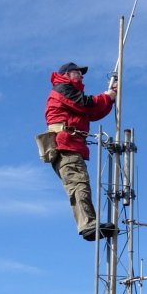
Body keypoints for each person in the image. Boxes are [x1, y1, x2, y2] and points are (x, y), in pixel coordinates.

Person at [45, 62, 117, 241]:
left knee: (80, 183)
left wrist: (110, 98)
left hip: (71, 146)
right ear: (67, 74)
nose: (81, 76)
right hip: (66, 146)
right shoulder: (62, 89)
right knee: (79, 184)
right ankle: (88, 224)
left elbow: (92, 112)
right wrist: (108, 96)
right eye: (78, 73)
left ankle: (89, 223)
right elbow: (87, 104)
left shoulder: (70, 94)